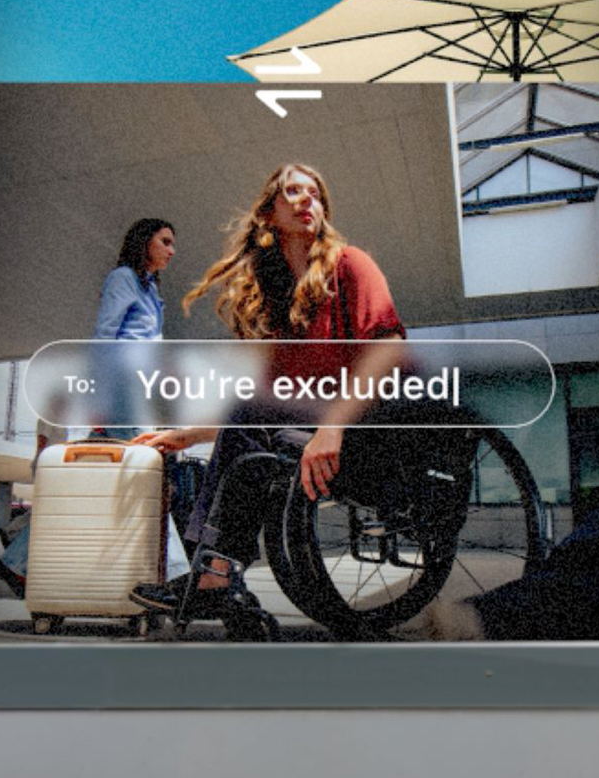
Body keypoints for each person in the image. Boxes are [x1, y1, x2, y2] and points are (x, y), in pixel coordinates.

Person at [130, 164, 407, 639]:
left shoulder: (351, 264)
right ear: (269, 213)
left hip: (372, 430)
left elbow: (389, 346)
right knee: (253, 412)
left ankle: (214, 574)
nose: (307, 200)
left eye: (315, 193)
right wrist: (190, 434)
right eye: (292, 192)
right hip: (311, 433)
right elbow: (265, 407)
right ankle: (217, 572)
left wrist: (334, 428)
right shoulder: (279, 300)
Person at [0, 218, 180, 598]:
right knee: (150, 473)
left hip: (137, 389)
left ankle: (17, 562)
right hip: (121, 389)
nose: (172, 250)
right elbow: (106, 334)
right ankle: (173, 575)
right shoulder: (123, 278)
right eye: (165, 242)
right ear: (145, 242)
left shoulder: (150, 289)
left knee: (112, 482)